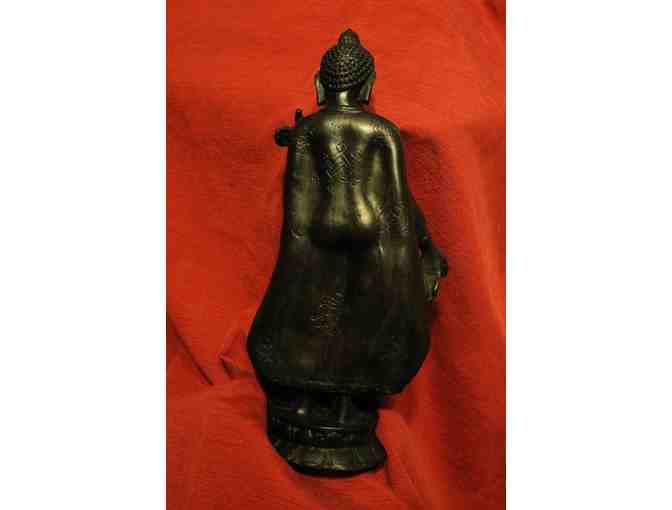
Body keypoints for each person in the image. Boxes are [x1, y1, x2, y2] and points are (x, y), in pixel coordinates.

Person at [248, 29, 447, 473]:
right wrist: (418, 249)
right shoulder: (381, 130)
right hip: (371, 227)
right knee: (358, 318)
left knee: (312, 315)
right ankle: (341, 404)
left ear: (320, 85)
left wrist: (296, 255)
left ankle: (311, 398)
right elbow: (397, 199)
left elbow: (298, 203)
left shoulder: (309, 129)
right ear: (368, 86)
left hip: (319, 227)